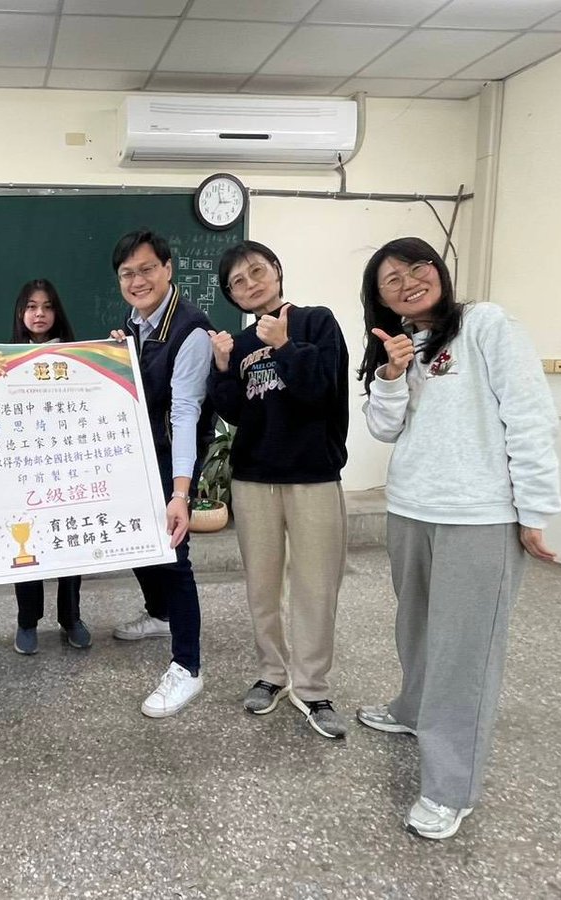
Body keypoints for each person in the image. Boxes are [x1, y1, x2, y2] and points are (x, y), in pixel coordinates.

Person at [356, 236, 561, 840]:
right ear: (381, 299)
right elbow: (384, 428)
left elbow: (528, 414)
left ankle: (451, 786)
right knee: (417, 627)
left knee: (463, 653)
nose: (408, 283)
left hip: (480, 516)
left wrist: (535, 508)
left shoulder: (485, 324)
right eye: (391, 280)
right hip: (410, 508)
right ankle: (411, 708)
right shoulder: (399, 347)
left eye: (416, 267)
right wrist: (391, 374)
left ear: (438, 269)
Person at [207, 240, 351, 739]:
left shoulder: (317, 321)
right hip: (254, 479)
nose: (250, 284)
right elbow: (234, 412)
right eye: (237, 282)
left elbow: (322, 392)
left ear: (277, 270)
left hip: (313, 476)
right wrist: (222, 366)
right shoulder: (242, 343)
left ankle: (311, 687)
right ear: (232, 296)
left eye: (256, 271)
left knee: (316, 587)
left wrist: (286, 345)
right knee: (262, 587)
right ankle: (271, 673)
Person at [107, 229, 214, 718]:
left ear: (168, 269)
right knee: (136, 540)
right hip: (136, 453)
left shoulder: (190, 331)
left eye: (147, 269)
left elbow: (186, 412)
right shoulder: (131, 326)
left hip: (172, 456)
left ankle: (187, 667)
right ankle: (159, 614)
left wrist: (181, 493)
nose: (137, 281)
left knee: (173, 555)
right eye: (127, 273)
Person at [6, 279, 89, 655]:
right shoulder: (2, 359)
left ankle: (71, 617)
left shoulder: (78, 357)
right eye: (31, 306)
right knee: (26, 547)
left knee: (70, 541)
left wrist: (117, 349)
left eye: (47, 306)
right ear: (20, 313)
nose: (39, 314)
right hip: (25, 470)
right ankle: (27, 621)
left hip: (68, 468)